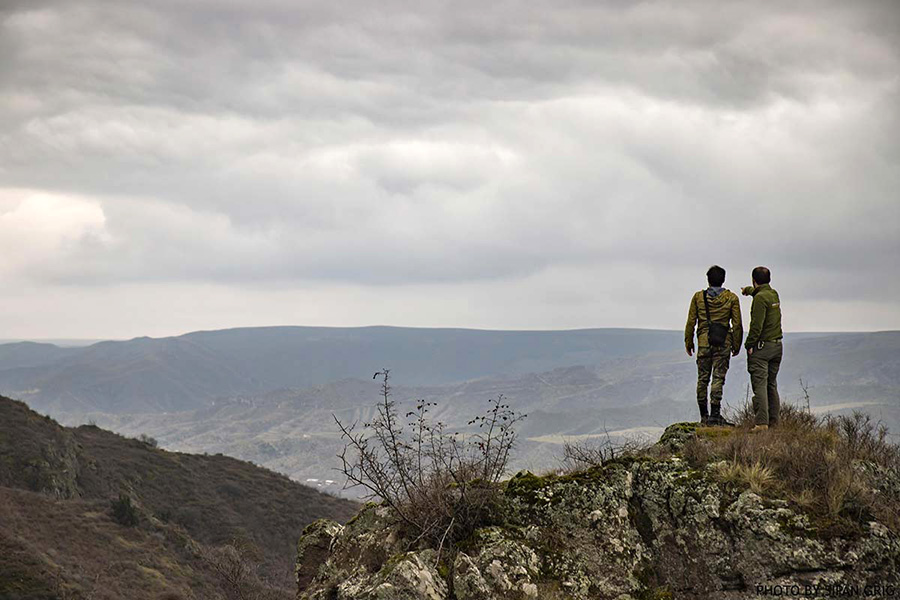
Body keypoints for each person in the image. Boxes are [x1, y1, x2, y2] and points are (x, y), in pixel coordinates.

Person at [685, 265, 743, 426]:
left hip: (704, 342)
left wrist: (688, 342)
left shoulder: (698, 298)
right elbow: (737, 324)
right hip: (723, 342)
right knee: (718, 378)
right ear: (723, 279)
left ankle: (704, 416)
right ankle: (715, 415)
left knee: (702, 379)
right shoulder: (732, 298)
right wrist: (736, 345)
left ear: (708, 279)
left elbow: (691, 322)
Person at [742, 266, 783, 432]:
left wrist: (748, 344)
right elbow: (760, 292)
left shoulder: (759, 299)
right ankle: (774, 423)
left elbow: (756, 326)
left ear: (754, 280)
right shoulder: (773, 294)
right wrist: (748, 290)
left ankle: (761, 423)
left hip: (762, 347)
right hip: (777, 346)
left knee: (759, 385)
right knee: (771, 385)